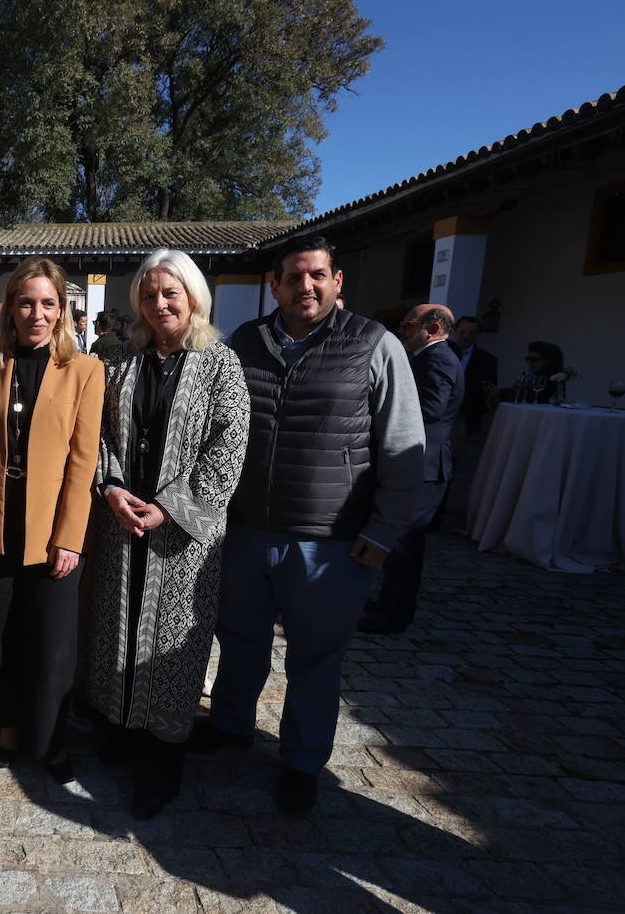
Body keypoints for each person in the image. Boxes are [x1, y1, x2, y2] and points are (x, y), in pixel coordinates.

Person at [191, 235, 424, 816]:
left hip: (331, 542)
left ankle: (301, 759)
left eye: (317, 275)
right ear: (275, 285)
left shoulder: (375, 344)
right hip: (246, 531)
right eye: (293, 277)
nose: (306, 287)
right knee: (239, 642)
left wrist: (386, 528)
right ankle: (230, 724)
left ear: (337, 280)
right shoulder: (245, 343)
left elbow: (403, 446)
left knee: (315, 658)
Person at [84, 250, 251, 819]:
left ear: (193, 297)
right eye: (150, 295)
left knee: (172, 645)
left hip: (180, 539)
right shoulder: (123, 361)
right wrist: (110, 489)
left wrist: (169, 508)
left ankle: (162, 762)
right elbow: (101, 434)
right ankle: (121, 729)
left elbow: (228, 447)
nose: (160, 305)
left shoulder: (219, 364)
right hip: (120, 524)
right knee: (118, 631)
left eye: (170, 294)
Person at [0, 257, 104, 783]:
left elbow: (83, 462)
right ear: (9, 309)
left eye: (48, 303)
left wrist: (71, 537)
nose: (36, 314)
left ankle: (51, 740)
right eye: (26, 303)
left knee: (54, 644)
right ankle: (5, 727)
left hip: (52, 528)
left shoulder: (85, 370)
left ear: (62, 310)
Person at [360, 305, 463, 635]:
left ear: (431, 329)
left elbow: (432, 408)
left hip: (424, 465)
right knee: (401, 545)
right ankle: (389, 605)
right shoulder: (428, 357)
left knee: (403, 545)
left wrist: (391, 401)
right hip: (421, 463)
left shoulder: (439, 358)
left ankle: (393, 614)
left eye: (408, 324)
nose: (402, 330)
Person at [448, 315, 497, 434]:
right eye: (463, 332)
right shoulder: (440, 351)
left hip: (466, 417)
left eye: (471, 333)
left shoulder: (487, 359)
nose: (466, 336)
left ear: (477, 335)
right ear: (454, 330)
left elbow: (489, 389)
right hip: (438, 411)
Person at [495, 340, 564, 404]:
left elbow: (533, 398)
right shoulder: (527, 374)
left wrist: (501, 393)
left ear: (547, 361)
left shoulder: (554, 378)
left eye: (533, 359)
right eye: (527, 359)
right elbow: (514, 392)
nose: (529, 362)